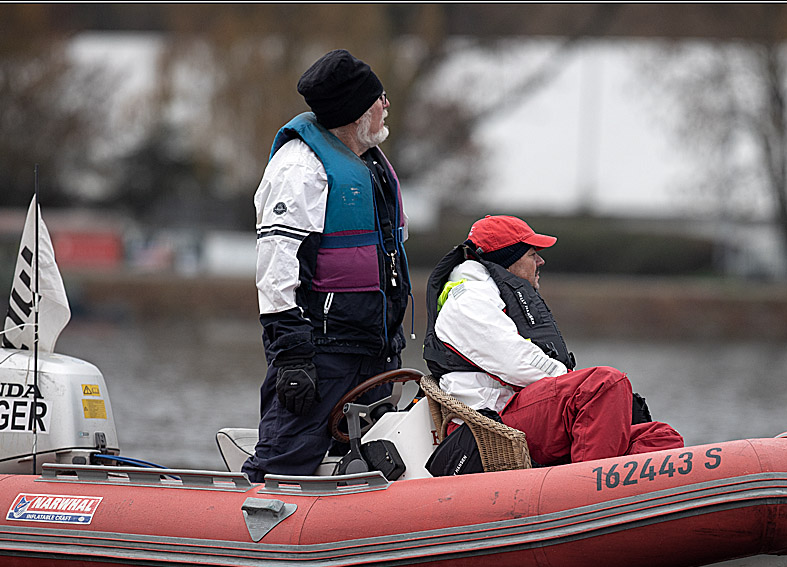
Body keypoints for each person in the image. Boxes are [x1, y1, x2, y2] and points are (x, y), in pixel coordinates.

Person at [243, 49, 411, 483]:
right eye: (380, 98)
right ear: (357, 111)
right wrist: (293, 354)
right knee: (282, 463)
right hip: (319, 355)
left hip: (374, 353)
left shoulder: (372, 167)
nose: (386, 105)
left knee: (374, 469)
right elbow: (276, 269)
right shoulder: (299, 168)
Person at [422, 215, 683, 472]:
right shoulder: (467, 302)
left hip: (521, 412)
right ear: (507, 260)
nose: (540, 261)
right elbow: (518, 364)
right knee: (605, 384)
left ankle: (615, 501)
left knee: (662, 436)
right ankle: (587, 493)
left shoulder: (492, 294)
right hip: (489, 428)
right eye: (532, 254)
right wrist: (582, 389)